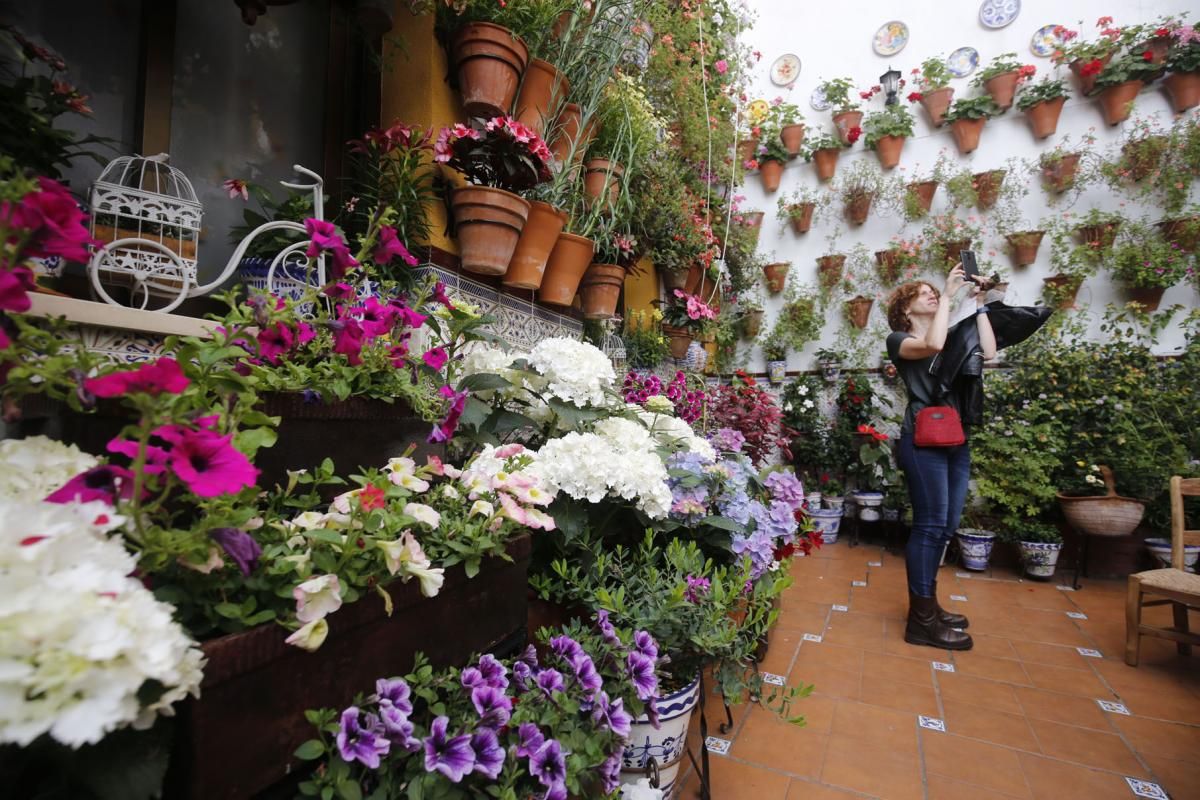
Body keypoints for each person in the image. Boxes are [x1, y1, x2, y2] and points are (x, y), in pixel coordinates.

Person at [885, 265, 997, 650]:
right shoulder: (898, 339)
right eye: (924, 294)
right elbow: (929, 346)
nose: (932, 295)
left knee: (946, 526)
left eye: (935, 292)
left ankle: (929, 605)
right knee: (930, 526)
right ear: (906, 309)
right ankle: (921, 621)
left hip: (955, 438)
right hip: (922, 440)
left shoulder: (948, 335)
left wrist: (979, 303)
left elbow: (990, 352)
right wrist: (949, 294)